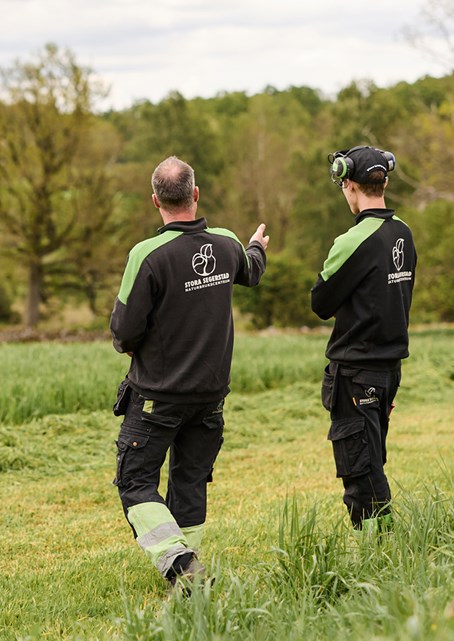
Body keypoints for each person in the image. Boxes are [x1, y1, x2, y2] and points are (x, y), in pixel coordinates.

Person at [110, 156, 269, 589]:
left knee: (134, 480)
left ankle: (179, 564)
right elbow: (251, 271)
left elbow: (124, 332)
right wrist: (256, 245)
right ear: (195, 195)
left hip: (158, 396)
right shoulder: (227, 243)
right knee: (191, 479)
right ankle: (188, 576)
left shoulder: (146, 254)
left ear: (155, 201)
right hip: (211, 395)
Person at [311, 145, 416, 532]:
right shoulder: (403, 233)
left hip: (356, 373)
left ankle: (382, 551)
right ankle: (386, 545)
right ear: (384, 180)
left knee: (360, 471)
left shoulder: (352, 240)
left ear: (349, 184)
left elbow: (320, 302)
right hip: (389, 371)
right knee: (372, 460)